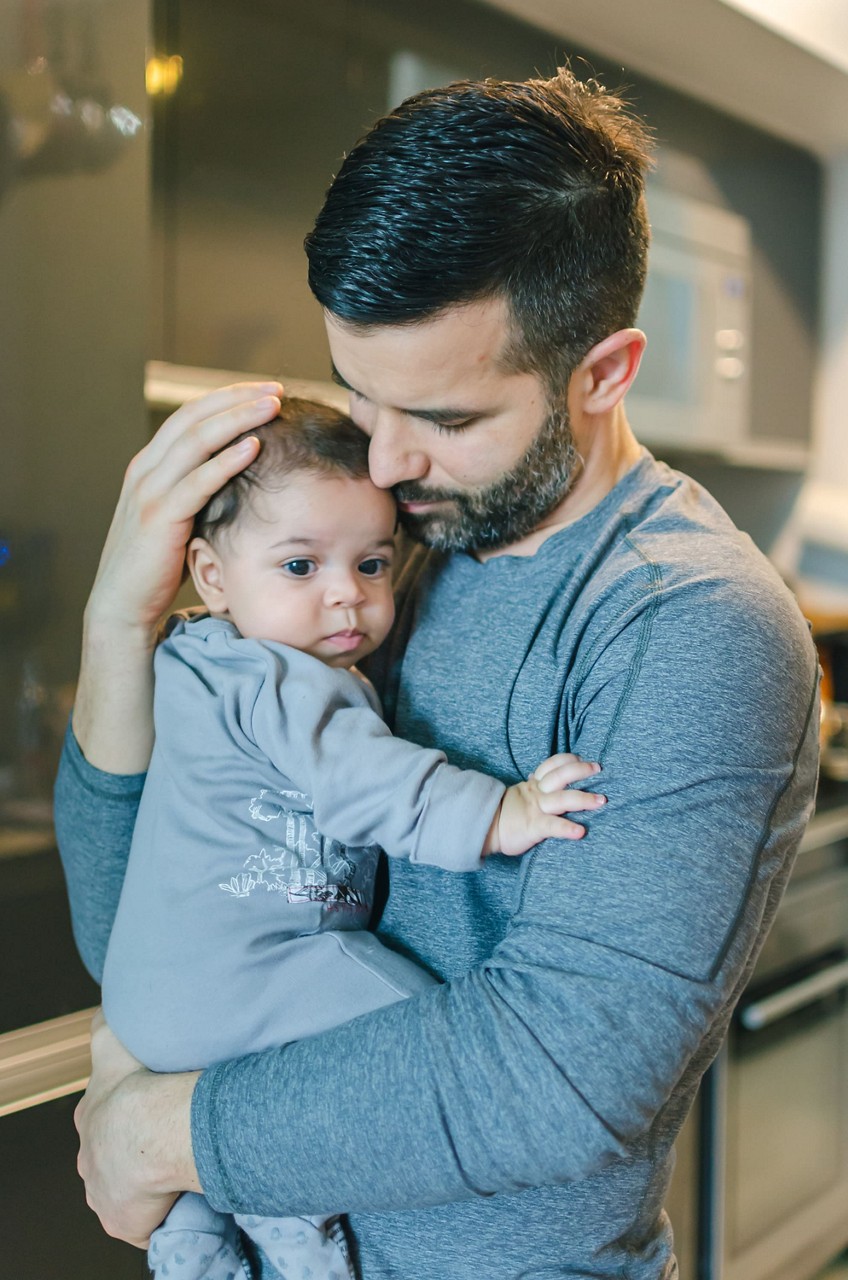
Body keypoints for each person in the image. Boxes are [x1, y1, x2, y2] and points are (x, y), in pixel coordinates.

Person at [56, 68, 820, 1280]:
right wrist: (120, 618)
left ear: (602, 371)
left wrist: (163, 1129)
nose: (384, 458)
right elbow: (140, 927)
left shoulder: (687, 624)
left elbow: (561, 1071)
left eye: (445, 417)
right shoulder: (376, 551)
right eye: (362, 395)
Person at [100, 397, 603, 1280]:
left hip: (153, 1002)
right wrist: (504, 812)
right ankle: (299, 1230)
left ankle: (191, 1236)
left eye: (372, 563)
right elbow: (371, 784)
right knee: (434, 1043)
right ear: (212, 575)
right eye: (300, 565)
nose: (347, 594)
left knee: (262, 1084)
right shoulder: (285, 679)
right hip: (259, 969)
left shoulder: (194, 660)